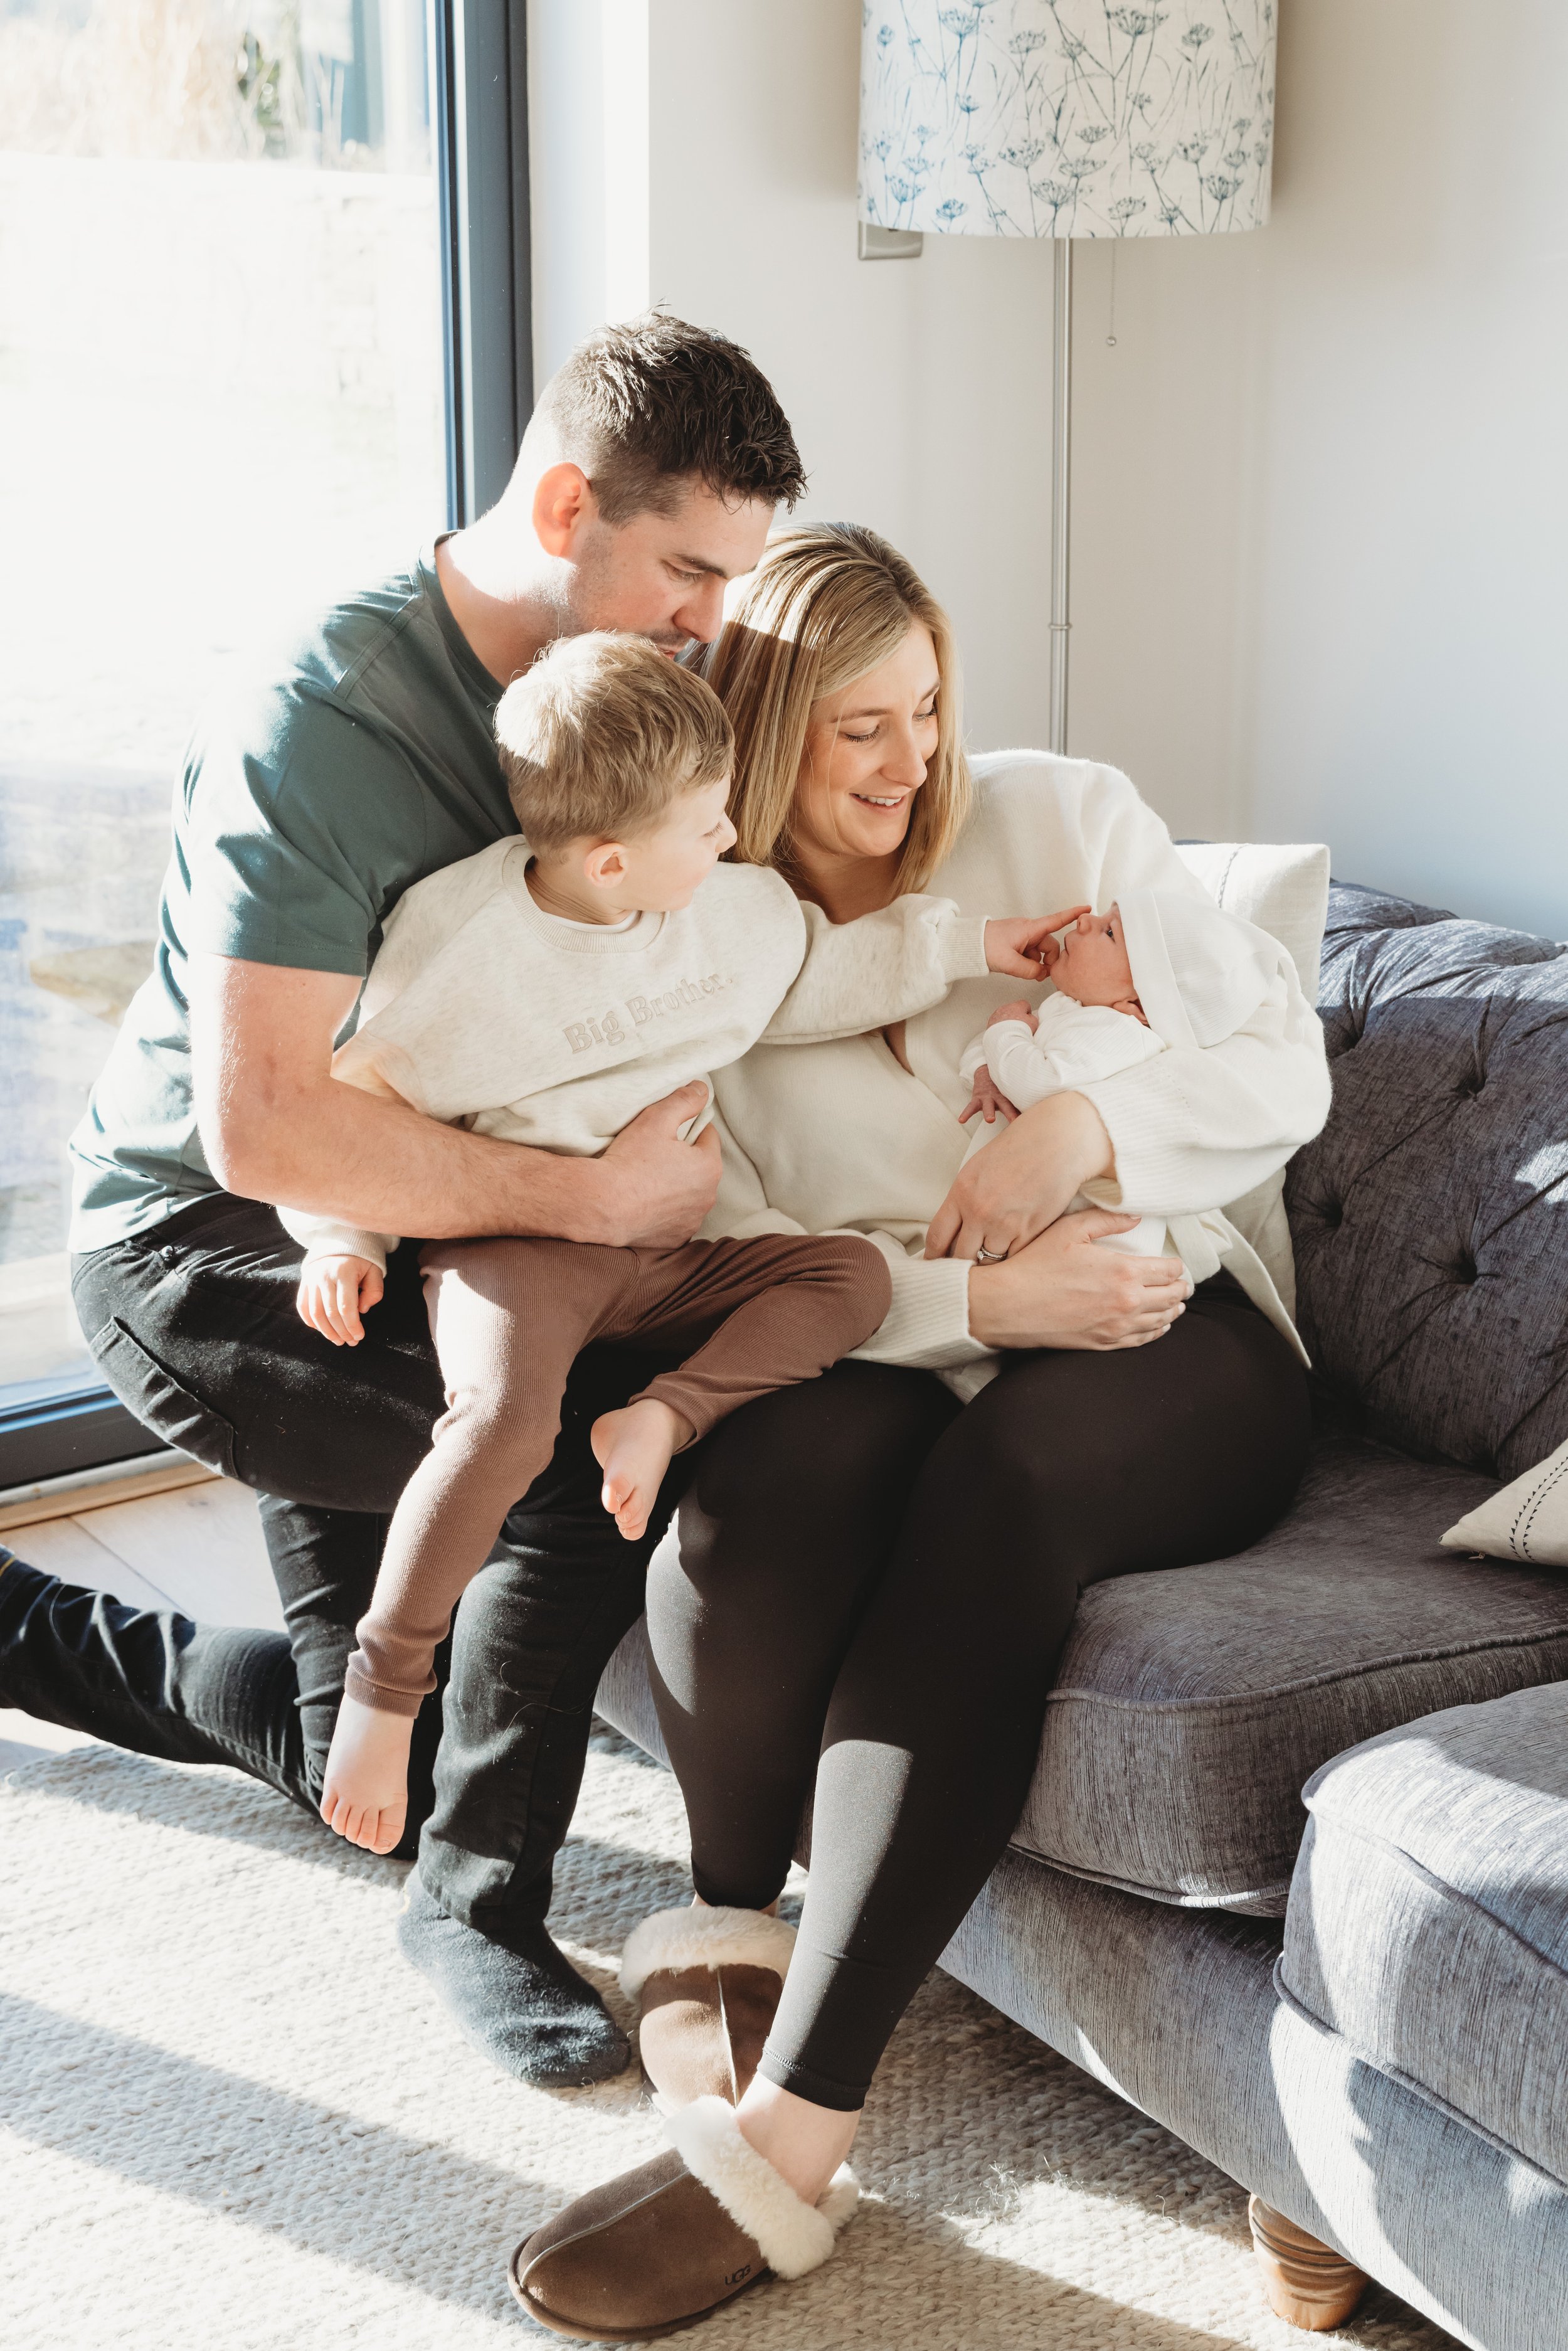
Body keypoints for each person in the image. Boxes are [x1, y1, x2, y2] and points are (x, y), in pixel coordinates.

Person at [507, 523, 1332, 2342]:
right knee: (765, 1477)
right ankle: (727, 1932)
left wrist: (1075, 1147)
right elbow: (733, 1253)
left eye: (928, 709)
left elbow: (1280, 1060)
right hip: (911, 1336)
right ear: (759, 720)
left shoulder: (1063, 819)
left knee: (1004, 1476)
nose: (907, 762)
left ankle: (790, 2137)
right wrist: (977, 1306)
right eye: (853, 728)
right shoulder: (696, 948)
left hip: (1162, 1326)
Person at [0, 315, 817, 2089]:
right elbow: (266, 1128)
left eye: (728, 581)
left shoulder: (640, 693)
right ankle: (478, 1901)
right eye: (685, 567)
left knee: (339, 1742)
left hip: (433, 1223)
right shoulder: (330, 718)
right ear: (559, 500)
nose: (706, 619)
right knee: (568, 1445)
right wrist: (594, 1204)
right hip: (204, 1234)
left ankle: (22, 1630)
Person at [286, 629, 1059, 1853]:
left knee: (848, 1275)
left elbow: (807, 980)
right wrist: (344, 1239)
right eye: (706, 822)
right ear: (605, 860)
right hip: (520, 1240)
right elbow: (354, 1102)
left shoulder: (731, 910)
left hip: (674, 1246)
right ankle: (384, 1691)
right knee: (495, 1421)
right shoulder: (461, 952)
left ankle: (666, 1411)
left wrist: (970, 944)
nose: (730, 839)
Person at [956, 889, 1312, 1351]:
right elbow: (994, 1055)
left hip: (1102, 1252)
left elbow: (1038, 1085)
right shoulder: (1070, 1009)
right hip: (1025, 1218)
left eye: (1109, 932)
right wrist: (985, 1070)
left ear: (1141, 1004)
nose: (1085, 921)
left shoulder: (1121, 1035)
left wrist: (1005, 1027)